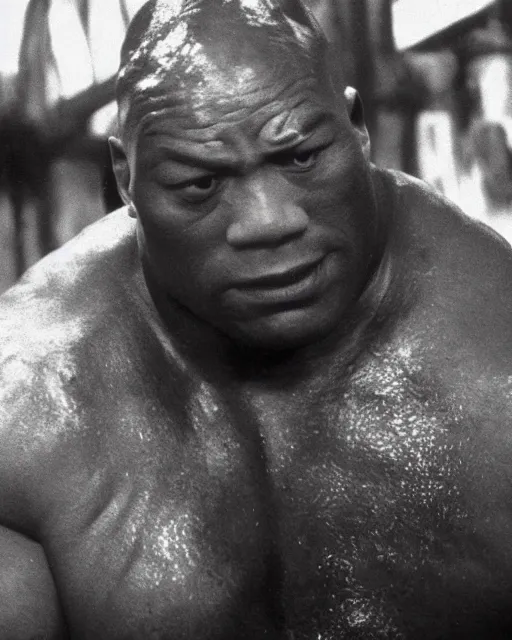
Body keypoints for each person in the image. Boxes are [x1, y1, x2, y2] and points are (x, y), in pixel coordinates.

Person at [2, 0, 512, 637]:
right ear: (126, 180)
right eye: (201, 184)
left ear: (356, 128)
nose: (270, 223)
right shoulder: (25, 398)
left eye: (301, 158)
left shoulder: (498, 344)